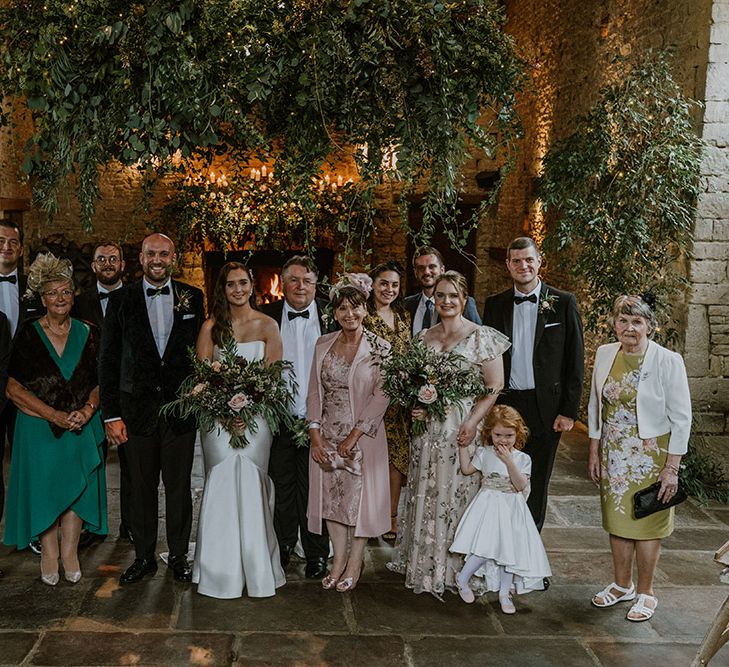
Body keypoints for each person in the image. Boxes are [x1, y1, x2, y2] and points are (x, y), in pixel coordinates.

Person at [389, 271, 509, 598]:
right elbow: (412, 382)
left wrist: (472, 422)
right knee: (426, 493)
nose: (446, 301)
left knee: (457, 494)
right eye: (440, 295)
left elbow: (494, 387)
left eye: (453, 295)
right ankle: (426, 567)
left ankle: (458, 570)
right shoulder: (423, 338)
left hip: (462, 429)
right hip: (427, 432)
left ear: (465, 298)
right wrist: (415, 404)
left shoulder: (482, 337)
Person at [99, 233, 204, 584]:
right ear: (140, 258)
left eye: (163, 253)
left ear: (173, 257)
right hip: (135, 411)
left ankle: (178, 556)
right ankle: (143, 557)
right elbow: (108, 359)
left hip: (180, 412)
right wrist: (111, 414)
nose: (157, 259)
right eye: (150, 254)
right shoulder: (121, 299)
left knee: (179, 488)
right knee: (140, 489)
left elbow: (200, 355)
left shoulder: (193, 297)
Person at [3, 253, 107, 585]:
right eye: (52, 293)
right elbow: (12, 388)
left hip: (80, 424)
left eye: (65, 292)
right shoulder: (27, 334)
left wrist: (87, 411)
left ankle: (70, 551)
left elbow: (101, 382)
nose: (59, 299)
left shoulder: (89, 332)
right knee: (46, 489)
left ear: (74, 295)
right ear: (41, 298)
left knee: (76, 489)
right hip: (38, 427)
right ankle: (48, 554)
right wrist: (53, 416)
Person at [588, 295, 691, 622]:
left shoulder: (667, 360)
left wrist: (671, 468)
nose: (629, 328)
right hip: (614, 452)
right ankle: (622, 585)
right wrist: (594, 449)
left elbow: (682, 418)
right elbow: (595, 406)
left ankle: (646, 592)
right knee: (618, 521)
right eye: (623, 320)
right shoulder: (605, 354)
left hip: (651, 453)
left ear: (650, 325)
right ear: (614, 323)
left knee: (648, 522)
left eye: (637, 322)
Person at [192, 262, 286, 598]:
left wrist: (249, 409)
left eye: (243, 283)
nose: (238, 289)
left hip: (257, 420)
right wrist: (224, 410)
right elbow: (202, 379)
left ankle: (258, 568)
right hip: (217, 421)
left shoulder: (268, 325)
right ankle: (218, 570)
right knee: (220, 480)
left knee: (250, 482)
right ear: (223, 289)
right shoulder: (211, 327)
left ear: (252, 286)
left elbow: (273, 378)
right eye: (231, 284)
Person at [482, 237, 584, 533]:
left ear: (539, 262)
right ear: (508, 265)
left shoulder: (563, 302)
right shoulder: (495, 304)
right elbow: (489, 356)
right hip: (507, 406)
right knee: (501, 475)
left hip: (546, 408)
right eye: (517, 261)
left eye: (529, 260)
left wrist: (568, 410)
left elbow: (575, 361)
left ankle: (529, 551)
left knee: (536, 480)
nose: (523, 266)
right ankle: (502, 544)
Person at [307, 275, 390, 592]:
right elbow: (315, 393)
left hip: (362, 437)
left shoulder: (381, 348)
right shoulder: (322, 344)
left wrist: (353, 437)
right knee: (332, 500)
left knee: (359, 502)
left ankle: (356, 560)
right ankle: (337, 559)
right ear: (335, 312)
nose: (349, 314)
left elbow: (382, 396)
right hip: (327, 433)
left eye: (355, 308)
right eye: (342, 308)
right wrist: (315, 435)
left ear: (365, 309)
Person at [262, 256, 331, 579]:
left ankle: (317, 552)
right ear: (282, 284)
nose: (300, 286)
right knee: (282, 485)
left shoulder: (332, 316)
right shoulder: (267, 317)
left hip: (322, 420)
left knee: (316, 488)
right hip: (280, 417)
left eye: (307, 281)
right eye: (293, 280)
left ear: (317, 285)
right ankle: (284, 546)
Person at [450, 405, 551, 614]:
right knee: (484, 548)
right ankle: (462, 578)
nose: (503, 440)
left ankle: (505, 593)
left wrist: (508, 461)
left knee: (509, 552)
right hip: (488, 506)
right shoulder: (484, 453)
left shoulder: (523, 459)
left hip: (511, 508)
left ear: (518, 433)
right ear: (489, 433)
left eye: (509, 435)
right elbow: (467, 469)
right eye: (497, 435)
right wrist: (462, 447)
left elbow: (521, 486)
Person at [72, 241, 130, 545]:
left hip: (127, 390)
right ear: (93, 266)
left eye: (113, 259)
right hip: (91, 391)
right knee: (91, 461)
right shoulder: (79, 303)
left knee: (132, 463)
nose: (107, 263)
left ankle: (131, 525)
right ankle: (90, 527)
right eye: (101, 259)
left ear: (122, 265)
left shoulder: (136, 297)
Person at [0, 220, 44, 557]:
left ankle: (32, 531)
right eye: (1, 241)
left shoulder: (34, 289)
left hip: (26, 390)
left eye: (13, 242)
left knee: (30, 464)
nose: (7, 247)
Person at [364, 261, 411, 540]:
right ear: (372, 285)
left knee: (396, 461)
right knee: (373, 461)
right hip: (372, 399)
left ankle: (391, 515)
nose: (389, 289)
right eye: (383, 283)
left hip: (399, 404)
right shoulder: (363, 315)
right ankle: (370, 517)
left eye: (394, 284)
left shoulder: (402, 314)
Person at [404, 247, 481, 335]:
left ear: (442, 270)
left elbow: (477, 338)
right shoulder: (407, 304)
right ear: (415, 273)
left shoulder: (463, 303)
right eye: (421, 268)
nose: (426, 272)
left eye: (432, 267)